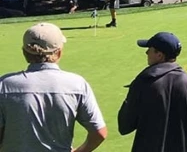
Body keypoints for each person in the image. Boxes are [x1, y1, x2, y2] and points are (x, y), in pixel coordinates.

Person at [0, 23, 108, 151]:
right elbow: (99, 133)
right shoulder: (76, 84)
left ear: (24, 52)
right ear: (59, 52)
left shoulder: (4, 85)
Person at [119, 32, 187, 152]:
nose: (146, 52)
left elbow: (124, 125)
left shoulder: (142, 82)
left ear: (159, 55)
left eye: (150, 49)